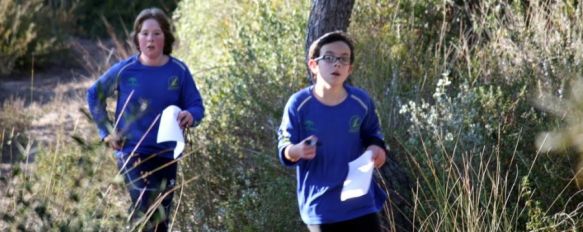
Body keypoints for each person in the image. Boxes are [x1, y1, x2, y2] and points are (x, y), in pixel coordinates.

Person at [86, 7, 204, 232]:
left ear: (166, 38)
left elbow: (196, 106)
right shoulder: (126, 70)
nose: (150, 38)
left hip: (167, 154)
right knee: (144, 209)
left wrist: (191, 115)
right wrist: (106, 132)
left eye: (157, 33)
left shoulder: (178, 71)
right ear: (137, 38)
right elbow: (94, 95)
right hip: (132, 152)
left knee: (161, 218)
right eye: (145, 33)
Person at [277, 31, 388, 231]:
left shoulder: (361, 102)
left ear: (350, 69)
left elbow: (374, 135)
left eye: (343, 59)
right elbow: (284, 148)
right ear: (313, 65)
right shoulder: (299, 104)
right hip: (322, 207)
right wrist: (297, 150)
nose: (336, 63)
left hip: (361, 203)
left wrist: (376, 150)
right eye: (328, 58)